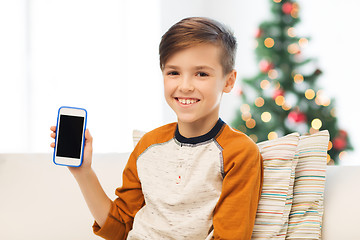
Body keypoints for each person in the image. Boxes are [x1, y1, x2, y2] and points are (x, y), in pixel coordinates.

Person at [50, 17, 263, 240]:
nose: (185, 86)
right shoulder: (148, 145)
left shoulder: (239, 153)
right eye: (173, 72)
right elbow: (119, 228)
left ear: (228, 81)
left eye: (201, 74)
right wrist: (84, 172)